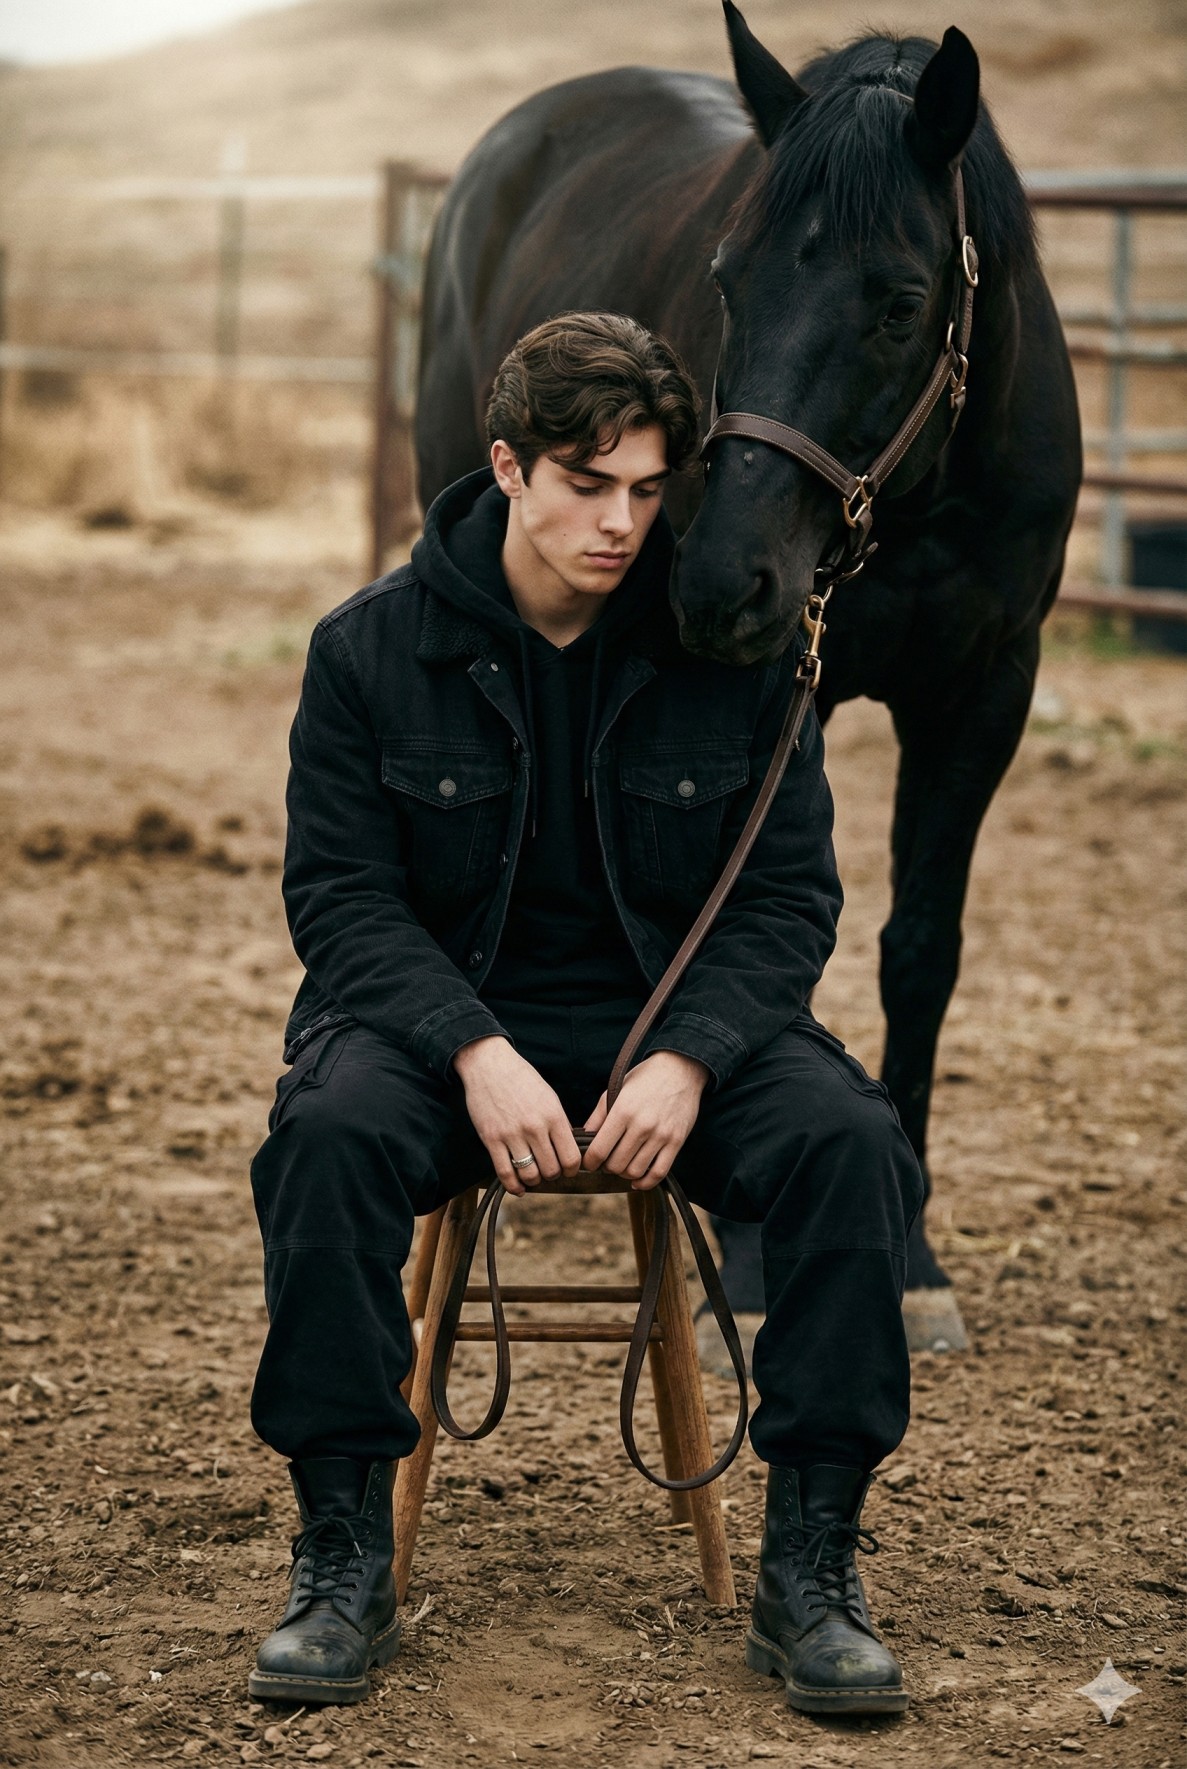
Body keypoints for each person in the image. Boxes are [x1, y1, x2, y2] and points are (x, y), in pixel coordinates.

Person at [246, 311, 924, 1716]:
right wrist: (470, 1049)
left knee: (853, 1142)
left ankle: (813, 1560)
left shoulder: (732, 647)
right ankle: (339, 1547)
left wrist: (691, 1057)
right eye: (586, 482)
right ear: (506, 466)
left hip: (670, 1036)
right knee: (323, 1133)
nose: (623, 522)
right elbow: (342, 904)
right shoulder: (366, 652)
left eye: (648, 487)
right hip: (440, 1033)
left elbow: (788, 902)